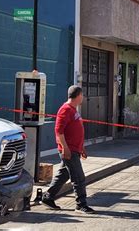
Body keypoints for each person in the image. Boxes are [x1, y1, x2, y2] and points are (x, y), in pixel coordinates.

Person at [42, 85, 95, 214]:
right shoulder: (65, 110)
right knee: (79, 177)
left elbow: (75, 131)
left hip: (74, 149)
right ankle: (81, 204)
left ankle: (48, 197)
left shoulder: (73, 109)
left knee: (63, 174)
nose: (83, 98)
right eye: (82, 95)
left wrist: (81, 147)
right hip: (68, 150)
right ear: (78, 96)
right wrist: (65, 148)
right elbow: (59, 132)